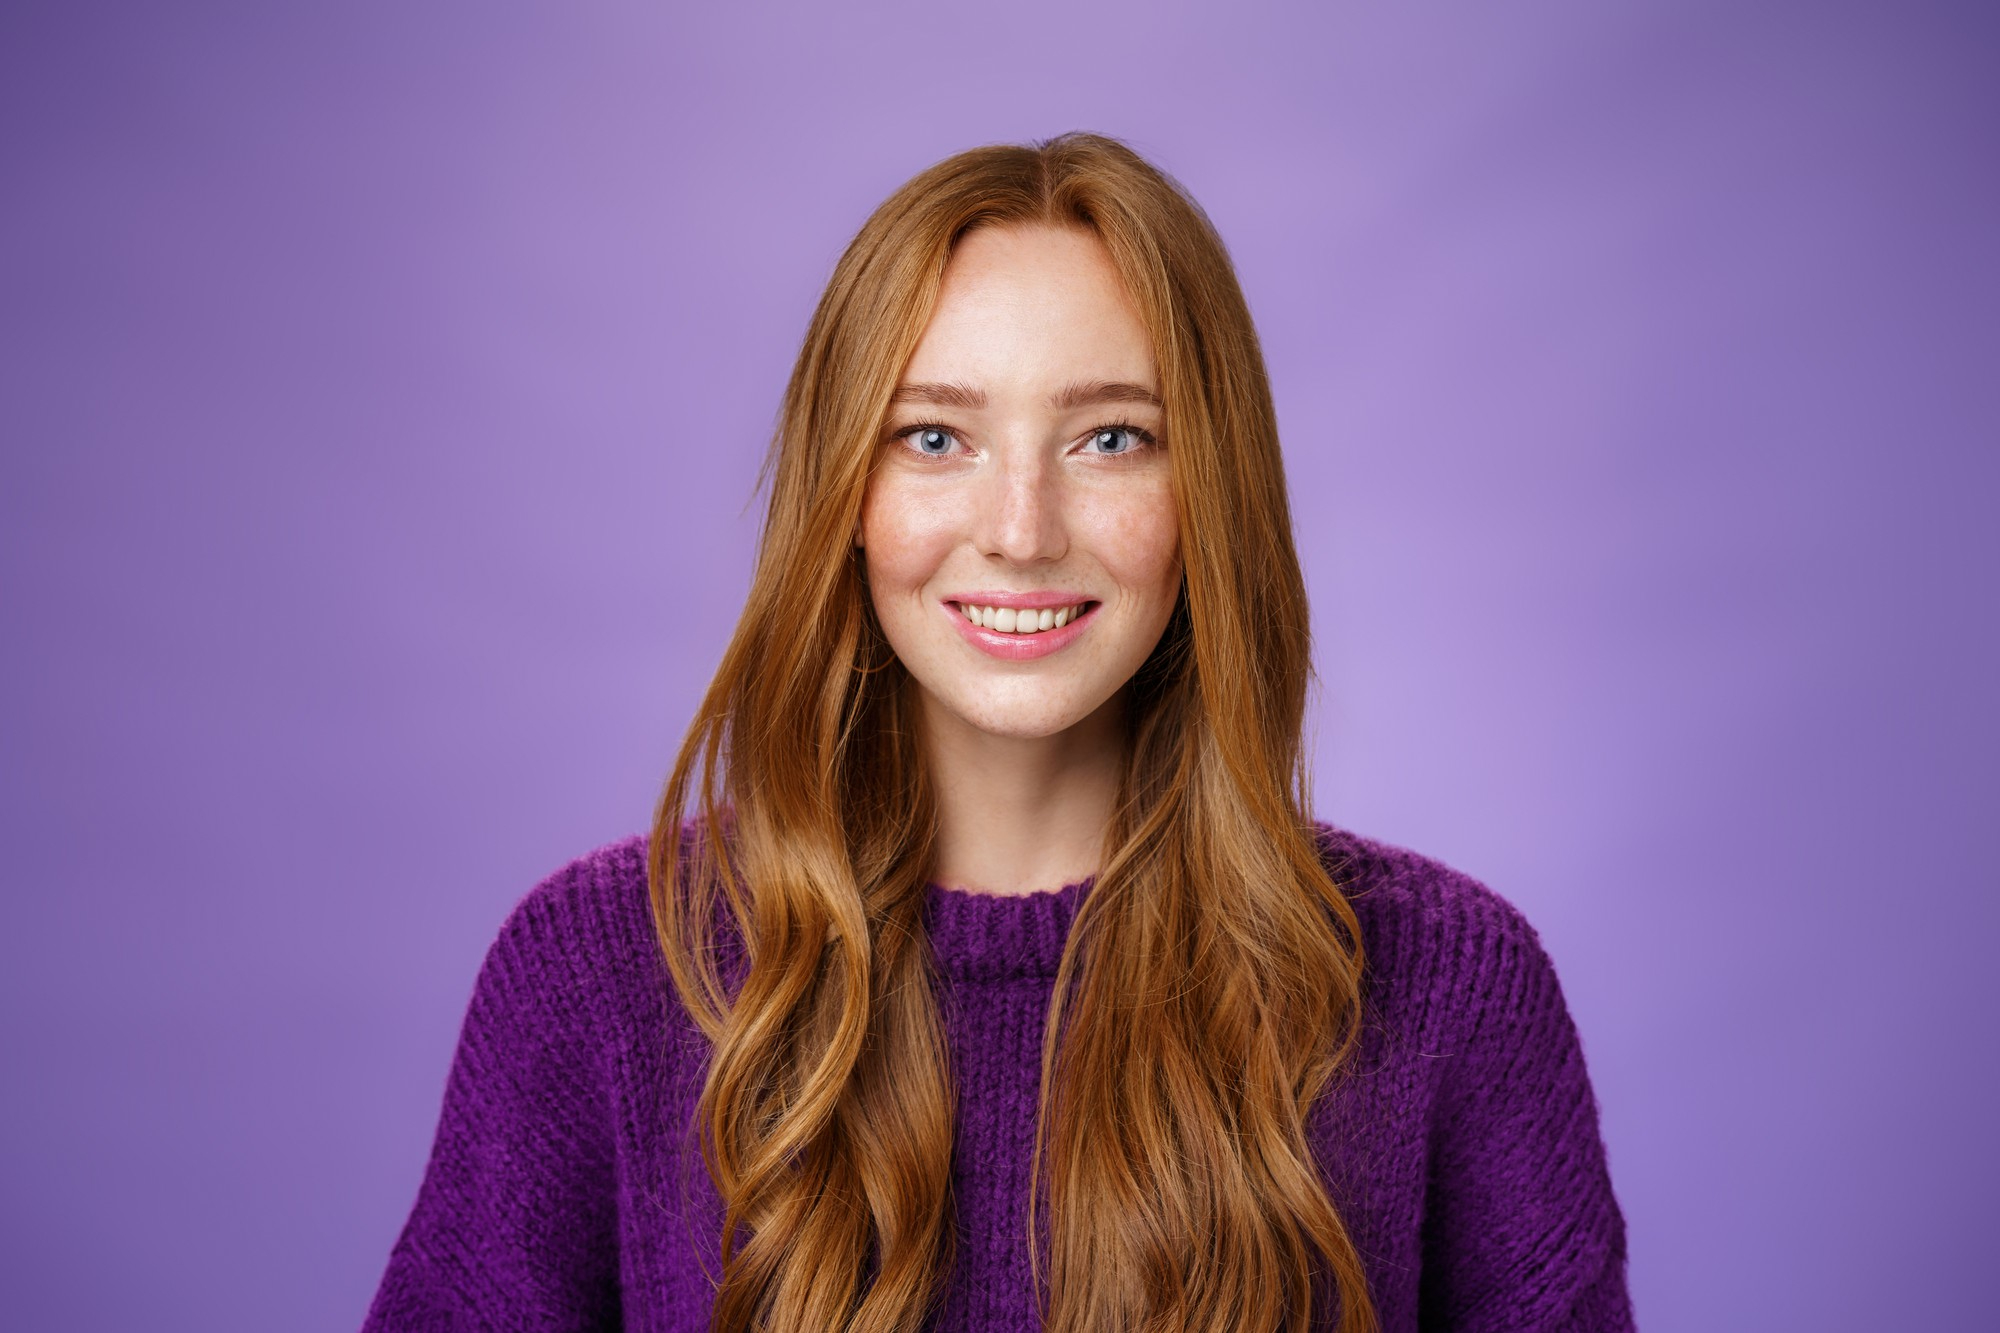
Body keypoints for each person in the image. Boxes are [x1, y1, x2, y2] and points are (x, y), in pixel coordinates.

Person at [362, 132, 1632, 1333]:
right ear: (844, 494)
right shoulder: (596, 979)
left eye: (1110, 438)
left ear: (1210, 492)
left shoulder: (1445, 988)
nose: (1021, 529)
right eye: (935, 437)